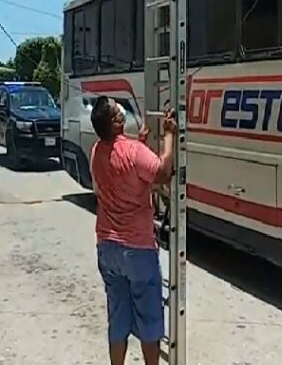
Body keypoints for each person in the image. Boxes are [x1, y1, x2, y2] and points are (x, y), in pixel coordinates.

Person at [89, 96, 176, 365]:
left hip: (107, 247)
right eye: (119, 110)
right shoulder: (135, 153)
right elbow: (161, 173)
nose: (123, 111)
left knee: (118, 320)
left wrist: (139, 144)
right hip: (137, 249)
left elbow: (122, 168)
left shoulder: (96, 151)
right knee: (149, 321)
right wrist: (169, 136)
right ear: (116, 122)